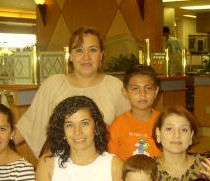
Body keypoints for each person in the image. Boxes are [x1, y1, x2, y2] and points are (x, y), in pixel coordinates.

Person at [14, 27, 130, 163]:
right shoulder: (53, 85)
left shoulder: (115, 86)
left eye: (93, 50)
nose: (86, 57)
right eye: (79, 50)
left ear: (101, 55)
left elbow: (131, 124)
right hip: (60, 165)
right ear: (70, 55)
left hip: (102, 166)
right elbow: (30, 123)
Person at [108, 65, 161, 161]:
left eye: (148, 88)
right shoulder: (117, 126)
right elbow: (111, 161)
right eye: (135, 89)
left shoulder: (164, 122)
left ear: (156, 91)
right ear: (125, 92)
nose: (142, 94)